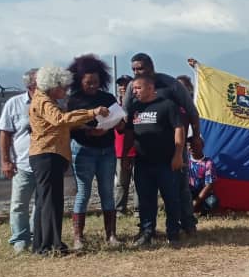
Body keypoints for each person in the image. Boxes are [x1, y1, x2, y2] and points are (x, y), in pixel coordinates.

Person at [28, 66, 109, 255]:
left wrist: (84, 126)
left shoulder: (44, 100)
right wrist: (91, 112)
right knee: (50, 201)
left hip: (49, 155)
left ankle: (42, 244)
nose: (65, 91)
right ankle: (51, 245)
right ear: (53, 85)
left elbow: (60, 125)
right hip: (47, 155)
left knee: (46, 201)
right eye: (63, 87)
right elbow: (60, 120)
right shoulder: (44, 101)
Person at [122, 53, 201, 237]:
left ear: (151, 66)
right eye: (133, 69)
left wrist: (196, 137)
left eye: (140, 68)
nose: (136, 72)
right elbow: (126, 116)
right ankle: (146, 229)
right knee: (145, 194)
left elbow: (191, 112)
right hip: (145, 153)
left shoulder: (171, 84)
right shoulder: (132, 89)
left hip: (173, 149)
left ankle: (186, 223)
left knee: (179, 188)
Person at [67, 54, 121, 249]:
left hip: (107, 150)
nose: (92, 86)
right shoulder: (73, 100)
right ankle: (78, 237)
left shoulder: (107, 98)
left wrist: (109, 126)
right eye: (88, 82)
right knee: (83, 192)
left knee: (107, 191)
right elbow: (68, 126)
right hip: (82, 150)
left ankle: (111, 235)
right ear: (79, 81)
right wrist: (88, 130)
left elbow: (119, 121)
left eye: (96, 82)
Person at [125, 74, 186, 246]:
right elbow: (129, 134)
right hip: (143, 162)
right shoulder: (134, 108)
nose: (134, 91)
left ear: (150, 88)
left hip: (166, 162)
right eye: (133, 88)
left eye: (138, 88)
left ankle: (173, 232)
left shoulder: (167, 105)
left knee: (171, 198)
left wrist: (178, 154)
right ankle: (147, 232)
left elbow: (179, 130)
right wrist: (125, 156)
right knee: (145, 199)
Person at [0, 68, 38, 253]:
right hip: (23, 164)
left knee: (42, 204)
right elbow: (5, 133)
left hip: (46, 164)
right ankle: (20, 239)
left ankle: (37, 236)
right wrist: (6, 161)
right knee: (19, 204)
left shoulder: (55, 103)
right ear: (30, 85)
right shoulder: (14, 104)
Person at [113, 75, 136, 215]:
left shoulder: (138, 104)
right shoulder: (115, 106)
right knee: (122, 182)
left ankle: (139, 209)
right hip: (120, 150)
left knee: (140, 183)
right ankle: (120, 209)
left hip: (138, 149)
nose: (122, 87)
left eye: (125, 84)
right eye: (120, 85)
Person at [188, 146, 219, 216]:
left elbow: (209, 186)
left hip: (204, 195)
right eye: (188, 145)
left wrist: (195, 203)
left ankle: (201, 212)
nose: (190, 147)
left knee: (212, 202)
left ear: (201, 145)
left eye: (194, 144)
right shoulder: (185, 159)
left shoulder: (208, 162)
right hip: (188, 193)